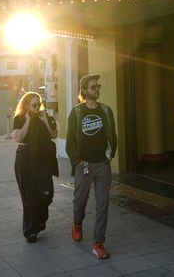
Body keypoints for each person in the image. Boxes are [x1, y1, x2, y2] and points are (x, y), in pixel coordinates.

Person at [66, 74, 118, 260]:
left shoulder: (106, 110)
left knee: (103, 204)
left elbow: (112, 135)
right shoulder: (77, 112)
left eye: (98, 86)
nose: (97, 89)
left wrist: (109, 154)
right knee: (80, 200)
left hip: (102, 165)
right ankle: (77, 223)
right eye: (93, 87)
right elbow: (70, 142)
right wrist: (79, 161)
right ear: (85, 91)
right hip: (84, 165)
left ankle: (98, 243)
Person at [11, 91, 58, 243]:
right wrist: (27, 121)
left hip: (44, 159)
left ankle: (41, 219)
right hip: (25, 159)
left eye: (39, 104)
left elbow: (54, 135)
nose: (37, 107)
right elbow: (18, 138)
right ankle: (31, 231)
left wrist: (45, 121)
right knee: (28, 196)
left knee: (46, 194)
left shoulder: (46, 117)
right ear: (26, 106)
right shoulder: (19, 119)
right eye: (34, 105)